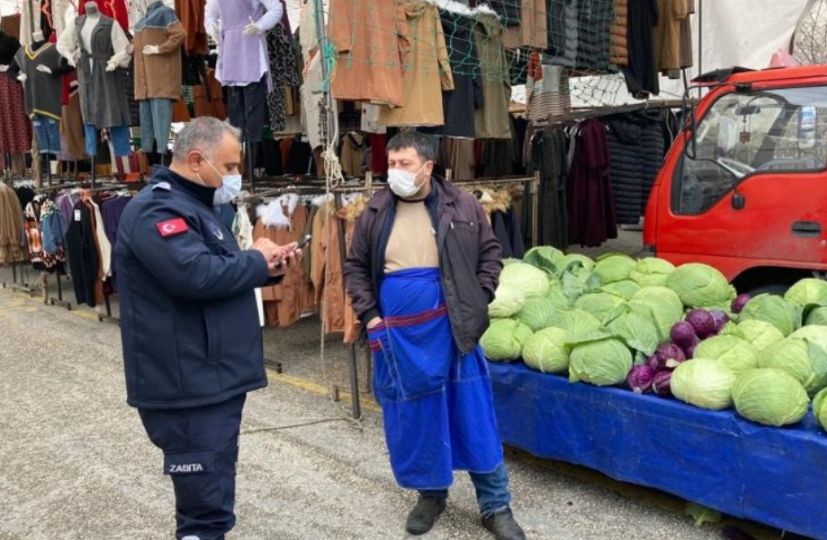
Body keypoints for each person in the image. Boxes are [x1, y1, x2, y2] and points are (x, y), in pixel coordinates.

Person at [116, 117, 299, 540]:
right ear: (197, 160)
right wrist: (256, 259)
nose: (235, 176)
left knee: (213, 496)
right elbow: (194, 275)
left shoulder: (198, 207)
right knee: (204, 514)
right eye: (230, 166)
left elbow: (218, 273)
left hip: (209, 378)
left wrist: (266, 267)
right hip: (187, 386)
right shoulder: (156, 209)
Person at [344, 132, 526, 539]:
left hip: (456, 327)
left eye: (404, 164)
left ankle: (495, 505)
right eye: (391, 164)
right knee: (418, 415)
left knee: (473, 413)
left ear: (428, 166)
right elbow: (355, 266)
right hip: (399, 336)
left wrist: (479, 298)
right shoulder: (374, 210)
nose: (394, 172)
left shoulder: (461, 204)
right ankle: (431, 494)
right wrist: (371, 316)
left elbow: (490, 254)